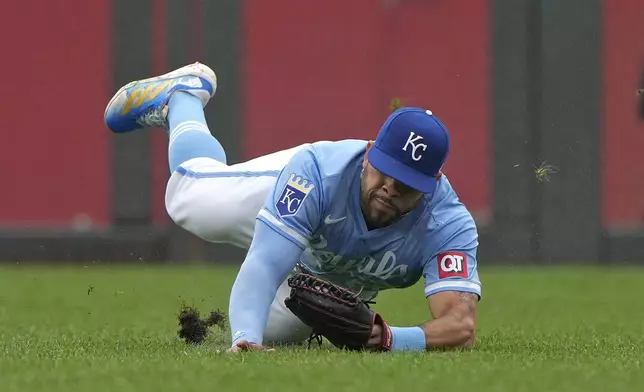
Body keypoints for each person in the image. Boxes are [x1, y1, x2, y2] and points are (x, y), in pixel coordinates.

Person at [104, 62, 482, 353]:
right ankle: (182, 97)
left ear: (431, 187)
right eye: (384, 172)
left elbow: (460, 325)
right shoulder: (319, 172)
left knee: (278, 335)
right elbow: (266, 263)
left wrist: (388, 339)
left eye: (405, 185)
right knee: (188, 198)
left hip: (330, 266)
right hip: (303, 197)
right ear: (369, 154)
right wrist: (244, 340)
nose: (389, 189)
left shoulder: (447, 224)